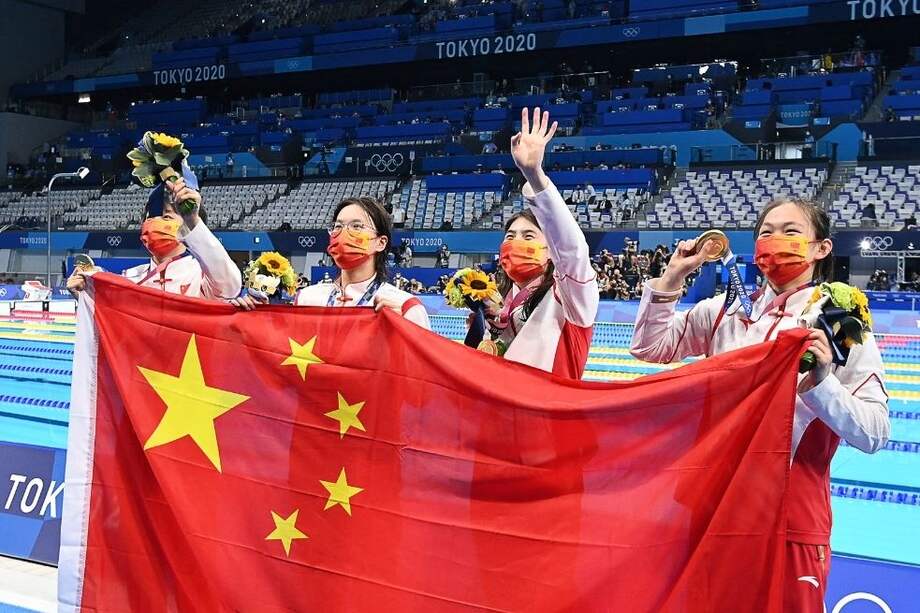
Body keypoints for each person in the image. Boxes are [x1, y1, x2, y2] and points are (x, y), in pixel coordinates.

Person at [630, 197, 889, 612]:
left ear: (821, 248)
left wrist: (822, 384)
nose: (775, 240)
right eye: (766, 232)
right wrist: (672, 276)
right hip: (709, 506)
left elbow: (874, 432)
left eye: (791, 231)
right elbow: (649, 347)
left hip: (789, 518)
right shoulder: (724, 312)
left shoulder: (838, 321)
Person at [482, 107, 599, 378]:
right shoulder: (500, 301)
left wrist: (534, 176)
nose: (516, 243)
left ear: (550, 251)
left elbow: (572, 251)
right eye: (509, 237)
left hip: (551, 404)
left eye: (528, 236)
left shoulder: (569, 297)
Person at [67, 167, 241, 300]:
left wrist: (192, 219)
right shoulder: (131, 279)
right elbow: (111, 324)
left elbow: (230, 285)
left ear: (187, 227)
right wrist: (85, 295)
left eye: (167, 217)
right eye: (150, 218)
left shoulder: (202, 276)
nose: (155, 223)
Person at [269, 197, 429, 329]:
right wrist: (256, 315)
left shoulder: (405, 307)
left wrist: (405, 328)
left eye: (356, 226)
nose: (343, 233)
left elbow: (425, 358)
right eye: (338, 226)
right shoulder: (307, 299)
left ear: (380, 242)